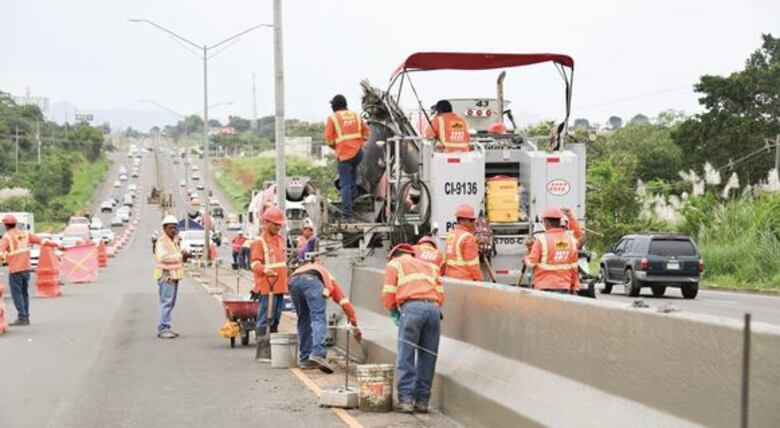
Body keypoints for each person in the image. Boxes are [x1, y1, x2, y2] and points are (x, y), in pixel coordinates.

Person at [382, 244, 444, 414]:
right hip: (433, 310)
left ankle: (406, 400)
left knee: (406, 355)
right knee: (428, 356)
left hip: (411, 308)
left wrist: (393, 310)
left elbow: (388, 292)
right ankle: (422, 402)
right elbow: (440, 294)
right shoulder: (429, 266)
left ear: (394, 255)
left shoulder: (395, 264)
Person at [290, 255, 361, 373]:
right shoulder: (327, 276)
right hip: (311, 281)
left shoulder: (306, 268)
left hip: (293, 281)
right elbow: (344, 302)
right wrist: (354, 324)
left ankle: (305, 359)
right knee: (318, 318)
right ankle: (318, 354)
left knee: (304, 320)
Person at [0, 215, 61, 326]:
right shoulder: (25, 234)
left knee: (17, 294)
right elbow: (42, 241)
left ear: (5, 225)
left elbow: (1, 252)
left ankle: (22, 317)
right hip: (26, 269)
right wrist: (56, 245)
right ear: (15, 223)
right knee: (24, 293)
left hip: (15, 270)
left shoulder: (7, 237)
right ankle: (26, 316)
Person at [324, 94, 369, 220]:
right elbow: (366, 133)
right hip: (358, 153)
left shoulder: (333, 118)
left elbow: (329, 140)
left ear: (334, 106)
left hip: (344, 155)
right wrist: (359, 142)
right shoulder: (356, 115)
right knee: (352, 179)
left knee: (345, 185)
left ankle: (347, 214)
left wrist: (338, 146)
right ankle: (353, 199)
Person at [523, 207, 581, 294]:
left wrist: (526, 257)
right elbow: (574, 267)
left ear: (546, 222)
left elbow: (531, 263)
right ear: (560, 221)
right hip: (564, 286)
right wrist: (574, 285)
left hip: (544, 287)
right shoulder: (571, 241)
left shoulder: (541, 241)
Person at [250, 207, 289, 337]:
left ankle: (273, 339)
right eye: (275, 224)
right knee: (265, 316)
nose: (278, 227)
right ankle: (262, 341)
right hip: (267, 287)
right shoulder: (259, 242)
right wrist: (264, 270)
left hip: (280, 286)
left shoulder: (279, 240)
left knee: (276, 316)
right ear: (266, 222)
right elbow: (254, 263)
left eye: (279, 224)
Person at [154, 215, 190, 338]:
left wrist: (184, 256)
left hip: (173, 275)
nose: (173, 230)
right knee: (166, 302)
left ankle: (166, 326)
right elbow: (163, 257)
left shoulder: (173, 241)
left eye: (175, 227)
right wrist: (180, 256)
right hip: (166, 275)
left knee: (170, 302)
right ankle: (163, 328)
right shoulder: (162, 242)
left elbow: (177, 258)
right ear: (164, 228)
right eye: (170, 228)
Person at [443, 204, 483, 281]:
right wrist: (479, 280)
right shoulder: (468, 237)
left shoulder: (451, 235)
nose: (473, 222)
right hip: (464, 280)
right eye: (471, 220)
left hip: (450, 278)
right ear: (462, 221)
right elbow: (472, 264)